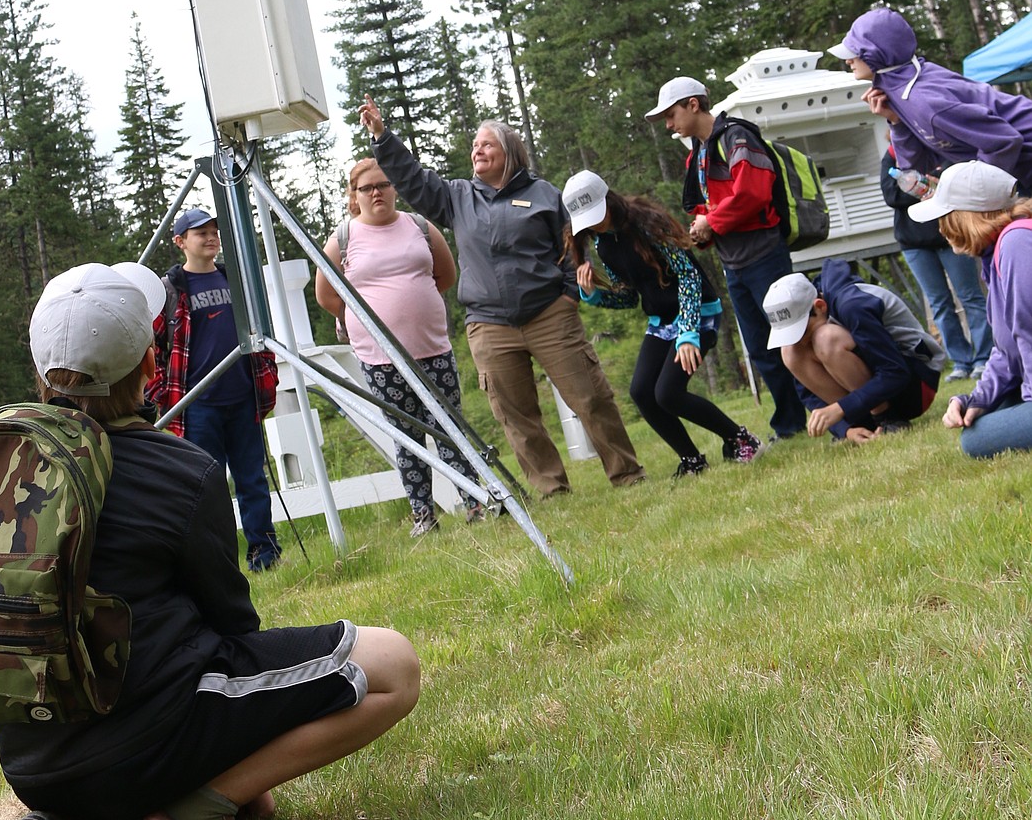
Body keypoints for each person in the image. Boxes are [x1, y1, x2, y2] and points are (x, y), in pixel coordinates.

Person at [0, 262, 420, 820]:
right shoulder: (177, 470)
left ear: (43, 370)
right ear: (150, 362)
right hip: (144, 737)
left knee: (160, 709)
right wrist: (245, 766)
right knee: (393, 664)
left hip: (34, 755)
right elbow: (233, 628)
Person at [357, 96, 645, 498]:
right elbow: (412, 180)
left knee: (590, 397)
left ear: (509, 153)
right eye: (474, 145)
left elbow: (573, 246)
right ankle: (551, 490)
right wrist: (382, 137)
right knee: (514, 416)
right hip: (490, 325)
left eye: (486, 144)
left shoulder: (546, 195)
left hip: (549, 315)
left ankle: (627, 474)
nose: (477, 149)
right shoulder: (457, 197)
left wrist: (567, 294)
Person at [314, 155, 485, 536]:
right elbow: (326, 295)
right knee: (407, 437)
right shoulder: (342, 239)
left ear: (395, 188)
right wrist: (363, 318)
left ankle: (474, 502)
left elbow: (445, 274)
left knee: (451, 427)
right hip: (379, 359)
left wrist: (411, 304)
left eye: (384, 184)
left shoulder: (419, 226)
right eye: (367, 187)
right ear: (354, 196)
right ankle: (424, 516)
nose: (377, 192)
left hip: (433, 348)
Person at [563, 169, 762, 478]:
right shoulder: (603, 244)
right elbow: (629, 298)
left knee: (668, 392)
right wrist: (592, 295)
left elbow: (688, 276)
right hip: (661, 320)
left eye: (596, 215)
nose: (593, 225)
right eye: (586, 221)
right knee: (642, 392)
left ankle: (741, 439)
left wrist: (688, 333)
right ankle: (692, 459)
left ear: (608, 200)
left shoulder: (648, 224)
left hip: (699, 312)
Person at [647, 76, 808, 439]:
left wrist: (711, 222)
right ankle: (791, 425)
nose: (669, 125)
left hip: (765, 254)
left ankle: (821, 409)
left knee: (791, 337)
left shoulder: (737, 137)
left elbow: (753, 192)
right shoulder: (698, 153)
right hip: (734, 261)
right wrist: (700, 228)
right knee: (760, 347)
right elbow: (712, 203)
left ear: (693, 104)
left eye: (671, 115)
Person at [146, 207, 282, 573]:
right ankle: (218, 562)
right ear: (180, 241)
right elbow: (152, 347)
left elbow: (260, 333)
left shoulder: (233, 281)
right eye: (199, 232)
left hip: (242, 399)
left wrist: (267, 375)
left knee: (252, 479)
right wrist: (161, 393)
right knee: (207, 487)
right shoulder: (170, 290)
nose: (210, 237)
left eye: (213, 231)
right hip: (196, 406)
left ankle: (264, 553)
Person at [830, 7, 1032, 192]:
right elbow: (916, 167)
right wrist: (897, 122)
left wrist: (971, 190)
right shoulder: (902, 93)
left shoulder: (924, 100)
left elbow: (1003, 141)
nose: (848, 60)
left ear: (876, 54)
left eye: (854, 53)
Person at [907, 160, 1032, 459]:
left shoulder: (1017, 243)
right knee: (980, 418)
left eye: (945, 216)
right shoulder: (999, 249)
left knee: (976, 441)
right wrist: (975, 399)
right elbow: (1007, 351)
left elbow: (1029, 334)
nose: (940, 228)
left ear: (967, 215)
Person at [762, 264, 943, 443]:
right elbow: (806, 391)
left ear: (820, 306)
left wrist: (841, 408)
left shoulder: (852, 305)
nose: (801, 340)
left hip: (917, 384)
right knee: (789, 351)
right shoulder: (807, 330)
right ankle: (863, 425)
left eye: (802, 331)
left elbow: (896, 372)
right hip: (878, 392)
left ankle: (889, 419)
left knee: (825, 338)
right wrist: (845, 430)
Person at [880, 143, 991, 380]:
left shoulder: (940, 145)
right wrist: (926, 189)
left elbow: (952, 186)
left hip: (950, 235)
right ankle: (961, 362)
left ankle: (984, 358)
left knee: (971, 296)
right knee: (939, 304)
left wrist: (918, 188)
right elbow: (891, 195)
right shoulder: (891, 155)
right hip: (914, 243)